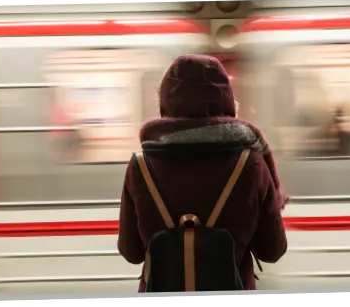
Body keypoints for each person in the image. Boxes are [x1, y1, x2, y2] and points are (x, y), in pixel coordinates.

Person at [117, 54, 288, 292]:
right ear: (227, 101)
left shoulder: (141, 165)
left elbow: (131, 252)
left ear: (166, 101)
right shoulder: (252, 163)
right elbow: (273, 250)